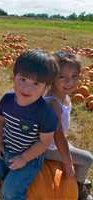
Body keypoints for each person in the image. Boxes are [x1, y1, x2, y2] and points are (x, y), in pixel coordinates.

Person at [0, 49, 59, 200]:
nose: (27, 88)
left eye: (36, 83)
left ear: (46, 87)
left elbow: (44, 142)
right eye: (23, 79)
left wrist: (24, 158)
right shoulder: (7, 100)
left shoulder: (45, 113)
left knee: (9, 192)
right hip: (6, 150)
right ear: (14, 76)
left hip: (30, 158)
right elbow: (0, 121)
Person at [44, 51, 93, 200]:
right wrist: (67, 162)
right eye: (62, 77)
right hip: (47, 147)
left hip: (54, 142)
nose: (69, 82)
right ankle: (77, 190)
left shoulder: (63, 96)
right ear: (52, 78)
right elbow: (58, 136)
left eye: (74, 77)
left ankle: (77, 180)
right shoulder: (53, 103)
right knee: (87, 159)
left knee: (76, 152)